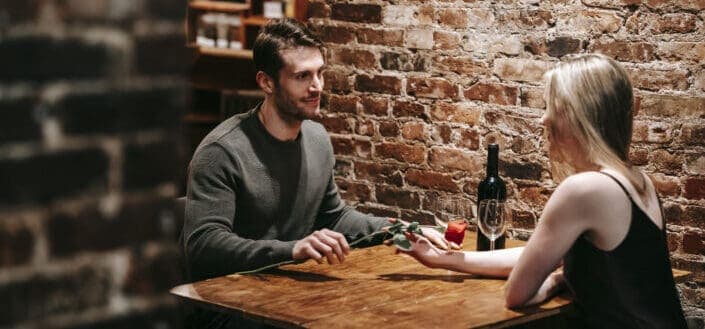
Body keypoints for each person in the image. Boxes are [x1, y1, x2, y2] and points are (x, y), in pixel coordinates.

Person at [181, 18, 448, 328]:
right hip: (228, 309)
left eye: (320, 72)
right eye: (302, 76)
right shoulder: (221, 152)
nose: (317, 86)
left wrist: (397, 229)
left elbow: (333, 217)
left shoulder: (317, 138)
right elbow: (203, 247)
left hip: (289, 296)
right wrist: (293, 250)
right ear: (266, 82)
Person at [398, 54, 688, 328]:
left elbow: (517, 294)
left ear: (577, 115)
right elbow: (536, 255)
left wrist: (557, 280)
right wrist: (444, 259)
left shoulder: (583, 190)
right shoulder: (638, 180)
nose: (543, 119)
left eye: (551, 105)